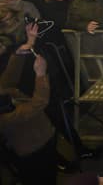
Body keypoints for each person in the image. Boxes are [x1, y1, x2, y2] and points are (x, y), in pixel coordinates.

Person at [0, 24, 57, 185]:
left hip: (45, 137)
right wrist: (40, 75)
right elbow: (38, 104)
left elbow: (7, 82)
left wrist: (20, 52)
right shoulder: (5, 117)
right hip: (32, 150)